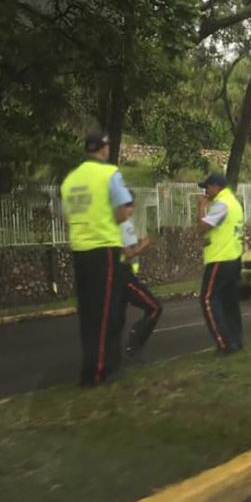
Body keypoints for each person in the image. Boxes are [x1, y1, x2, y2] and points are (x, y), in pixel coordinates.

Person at [60, 132, 133, 386]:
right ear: (104, 149)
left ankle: (89, 367)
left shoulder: (70, 179)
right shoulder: (109, 174)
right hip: (104, 248)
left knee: (88, 312)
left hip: (80, 250)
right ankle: (101, 370)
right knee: (107, 312)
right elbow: (123, 213)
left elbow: (65, 217)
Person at [196, 173, 245, 354]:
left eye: (207, 187)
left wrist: (201, 207)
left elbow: (202, 228)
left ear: (216, 187)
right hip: (234, 257)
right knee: (230, 301)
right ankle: (236, 340)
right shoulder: (234, 202)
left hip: (220, 258)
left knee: (207, 299)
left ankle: (223, 343)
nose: (206, 192)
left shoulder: (222, 204)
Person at [120, 196, 163, 360]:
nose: (132, 210)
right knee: (154, 307)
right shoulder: (124, 225)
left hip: (114, 274)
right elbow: (129, 252)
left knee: (113, 319)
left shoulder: (108, 224)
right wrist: (143, 245)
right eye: (130, 206)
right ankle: (134, 346)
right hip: (124, 275)